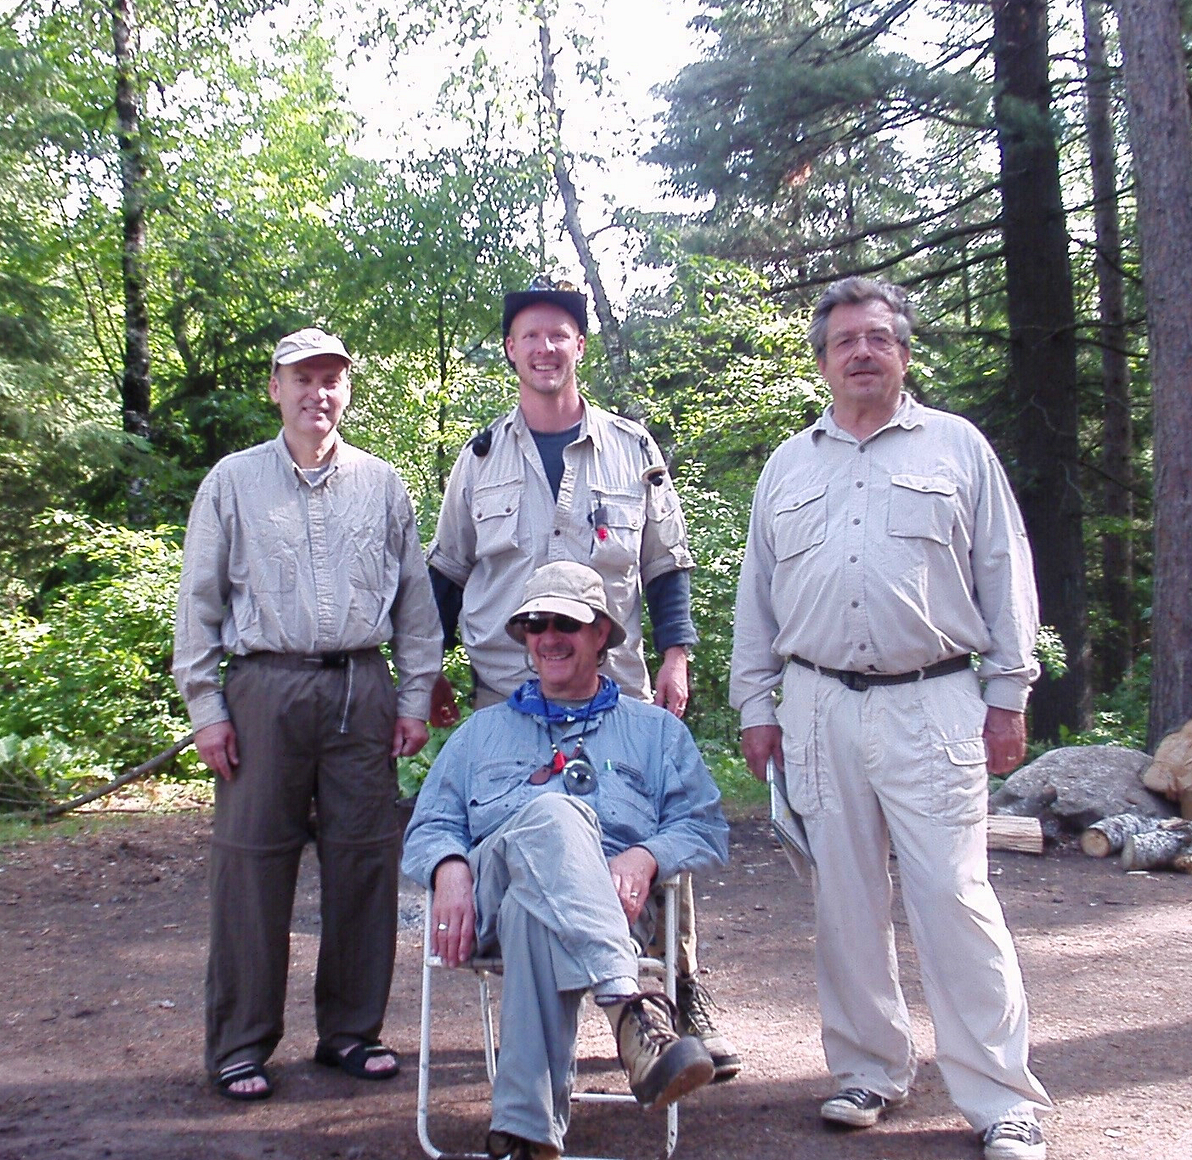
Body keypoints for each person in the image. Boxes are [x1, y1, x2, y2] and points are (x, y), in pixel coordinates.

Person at [729, 277, 1053, 1160]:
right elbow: (755, 601)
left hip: (937, 701)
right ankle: (868, 1068)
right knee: (843, 899)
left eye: (878, 338)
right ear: (824, 362)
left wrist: (1007, 694)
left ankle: (999, 1098)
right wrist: (757, 706)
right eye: (845, 342)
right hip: (817, 704)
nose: (862, 353)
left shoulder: (957, 449)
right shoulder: (788, 467)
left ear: (904, 353)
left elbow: (1005, 572)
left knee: (955, 896)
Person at [425, 276, 739, 1082]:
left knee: (638, 822)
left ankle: (678, 994)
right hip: (509, 691)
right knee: (531, 835)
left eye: (558, 334)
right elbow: (448, 573)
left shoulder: (632, 449)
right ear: (509, 349)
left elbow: (666, 565)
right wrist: (426, 672)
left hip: (616, 688)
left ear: (579, 347)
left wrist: (677, 653)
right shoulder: (481, 458)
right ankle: (619, 1007)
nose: (544, 348)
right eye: (528, 335)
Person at [173, 326, 440, 1102]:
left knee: (365, 860)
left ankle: (351, 1031)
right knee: (252, 866)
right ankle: (241, 1044)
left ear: (346, 390)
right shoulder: (232, 481)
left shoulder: (383, 484)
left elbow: (415, 604)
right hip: (263, 689)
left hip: (362, 687)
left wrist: (415, 695)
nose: (317, 393)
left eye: (331, 379)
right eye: (302, 379)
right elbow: (198, 601)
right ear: (275, 388)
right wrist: (205, 706)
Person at [404, 561, 728, 1160]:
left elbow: (704, 827)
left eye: (566, 624)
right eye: (534, 624)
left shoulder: (655, 733)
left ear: (601, 633)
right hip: (494, 898)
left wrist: (646, 854)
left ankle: (526, 1132)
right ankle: (629, 1006)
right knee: (554, 816)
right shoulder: (480, 734)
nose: (548, 637)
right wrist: (449, 867)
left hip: (610, 905)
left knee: (538, 913)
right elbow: (431, 826)